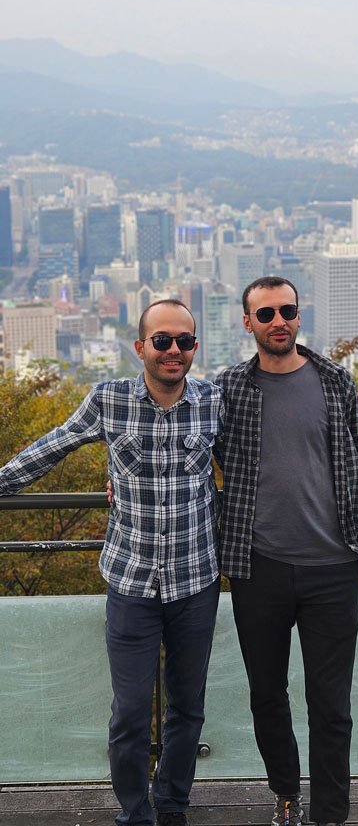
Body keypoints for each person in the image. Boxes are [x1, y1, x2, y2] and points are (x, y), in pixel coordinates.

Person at [0, 299, 222, 826]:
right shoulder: (109, 400)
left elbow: (251, 467)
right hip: (131, 581)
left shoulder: (214, 400)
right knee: (128, 713)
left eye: (185, 341)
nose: (174, 351)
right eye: (162, 341)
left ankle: (172, 806)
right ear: (140, 346)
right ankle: (135, 813)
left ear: (195, 348)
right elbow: (53, 446)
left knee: (187, 708)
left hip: (196, 579)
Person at [214, 276, 358, 826]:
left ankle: (331, 814)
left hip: (333, 568)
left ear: (299, 314)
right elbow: (189, 449)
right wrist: (123, 477)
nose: (278, 321)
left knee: (331, 705)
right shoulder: (229, 389)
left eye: (287, 310)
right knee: (267, 693)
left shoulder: (336, 381)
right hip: (257, 566)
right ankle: (286, 794)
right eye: (265, 314)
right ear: (248, 324)